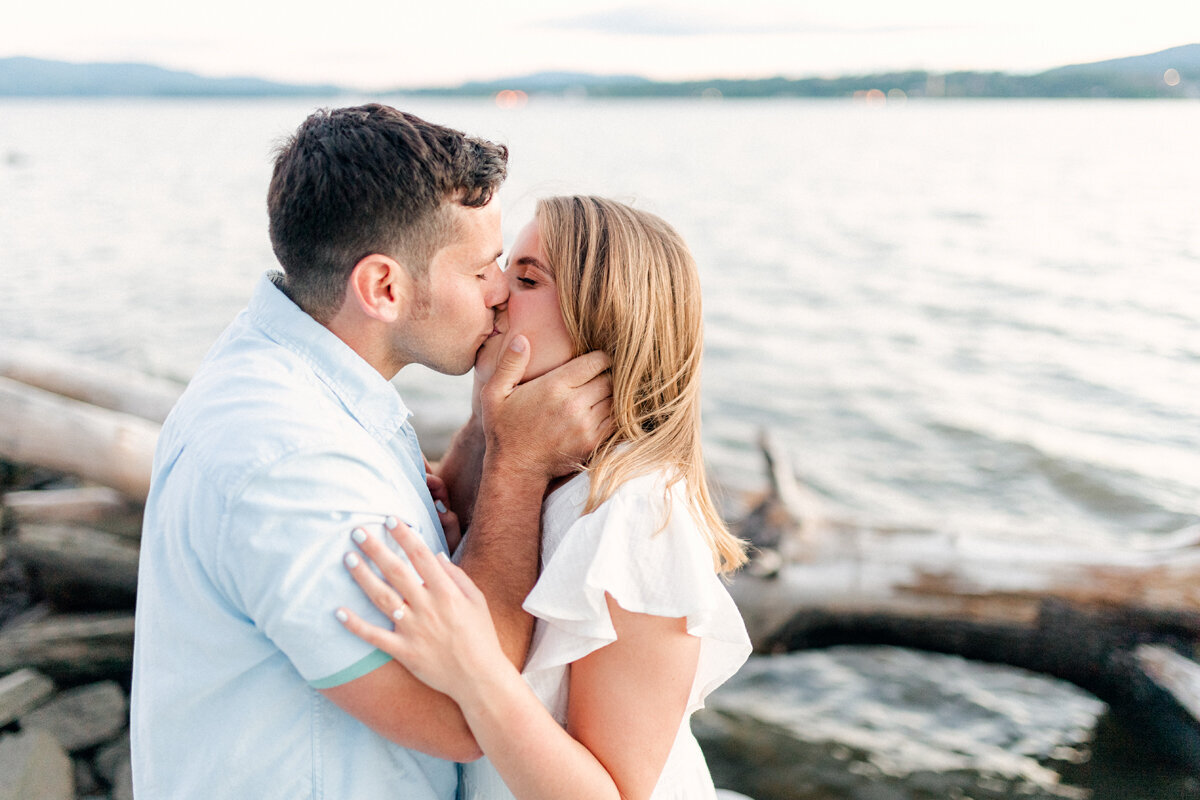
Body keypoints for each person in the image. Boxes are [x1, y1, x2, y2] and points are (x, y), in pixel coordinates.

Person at [130, 106, 613, 799]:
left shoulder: (301, 375)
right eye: (482, 271)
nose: (502, 290)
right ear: (383, 287)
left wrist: (480, 439)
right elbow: (460, 715)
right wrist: (521, 461)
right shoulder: (290, 459)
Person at [336, 196, 753, 799]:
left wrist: (475, 671)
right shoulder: (540, 473)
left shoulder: (635, 513)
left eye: (527, 278)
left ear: (606, 321)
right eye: (505, 268)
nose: (497, 290)